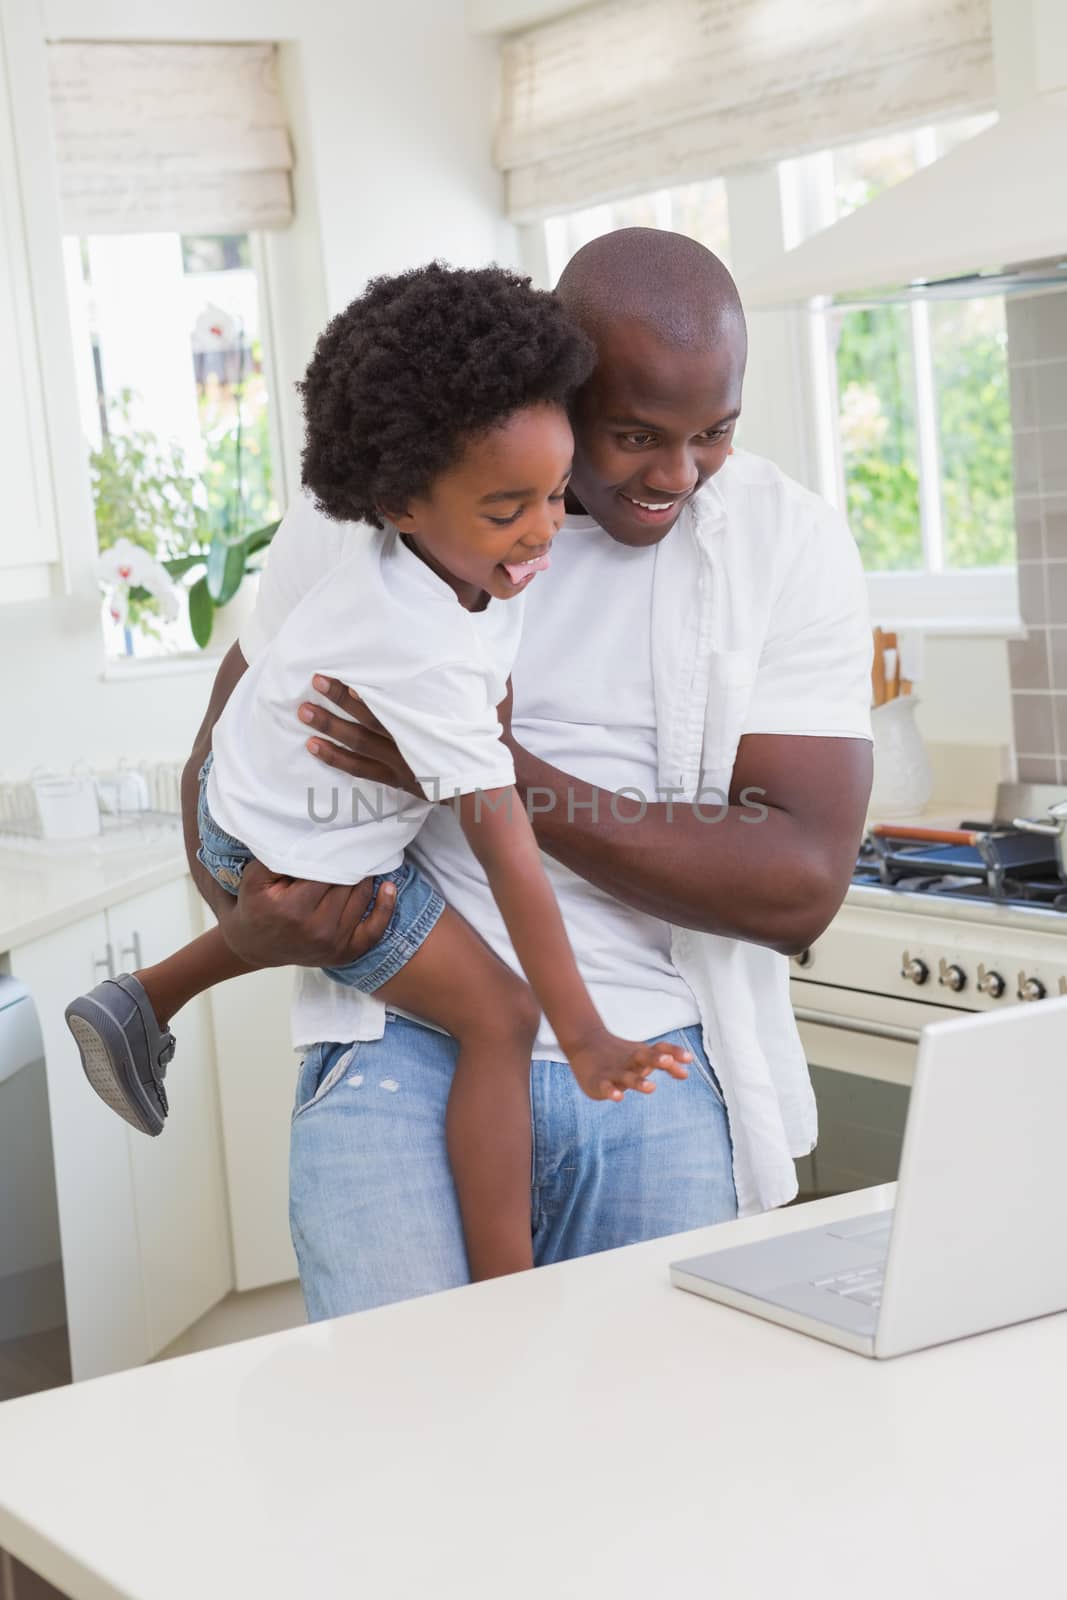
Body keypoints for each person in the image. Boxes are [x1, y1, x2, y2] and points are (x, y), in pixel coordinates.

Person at [182, 228, 873, 1320]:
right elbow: (223, 754)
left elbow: (797, 887)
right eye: (636, 433)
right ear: (561, 383)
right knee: (410, 1439)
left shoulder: (783, 545)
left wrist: (491, 767)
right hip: (394, 1048)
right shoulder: (377, 508)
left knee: (642, 1448)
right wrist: (242, 909)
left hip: (658, 1056)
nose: (676, 475)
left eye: (713, 435)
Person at [63, 263, 690, 1285]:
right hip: (295, 838)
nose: (541, 529)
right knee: (502, 1019)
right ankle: (505, 1294)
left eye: (552, 490)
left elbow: (483, 685)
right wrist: (584, 1034)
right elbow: (510, 851)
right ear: (402, 500)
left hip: (262, 789)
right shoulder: (418, 643)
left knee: (383, 933)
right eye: (507, 508)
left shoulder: (449, 555)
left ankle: (142, 998)